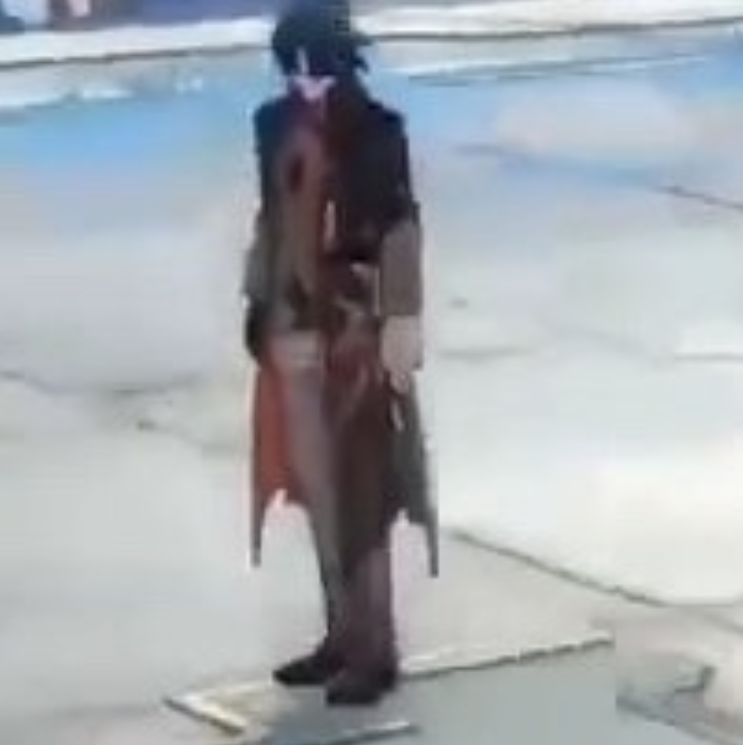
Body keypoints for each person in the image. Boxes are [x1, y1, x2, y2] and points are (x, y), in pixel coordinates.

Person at [242, 1, 437, 707]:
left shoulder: (379, 131)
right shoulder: (272, 125)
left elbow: (399, 228)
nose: (305, 83)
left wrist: (401, 322)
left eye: (317, 70)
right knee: (318, 490)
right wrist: (258, 301)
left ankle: (374, 646)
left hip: (356, 331)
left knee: (363, 494)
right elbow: (269, 218)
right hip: (292, 328)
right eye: (293, 71)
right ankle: (340, 635)